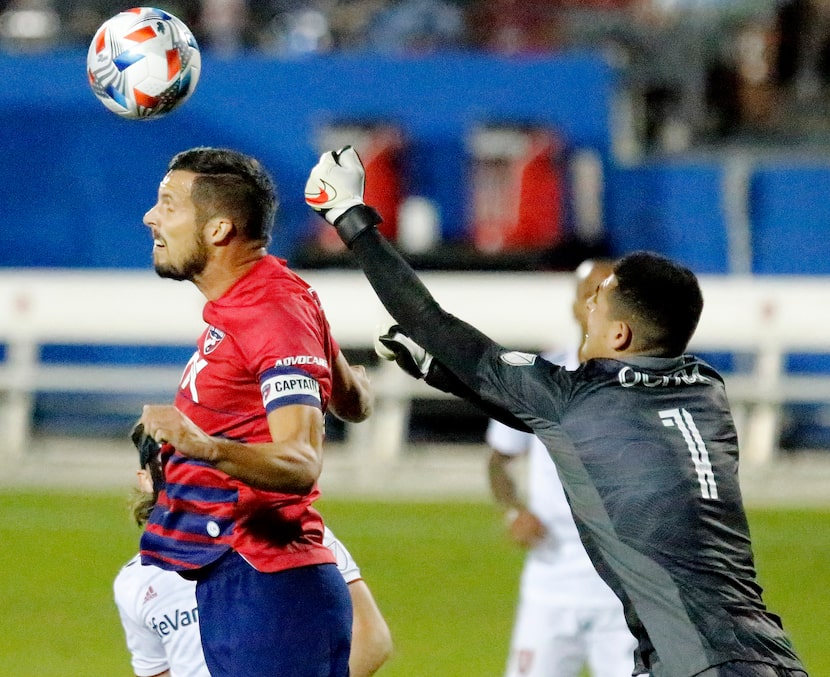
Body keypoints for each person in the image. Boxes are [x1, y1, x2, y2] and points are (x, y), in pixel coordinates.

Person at [304, 146, 809, 677]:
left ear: (620, 333)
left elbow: (431, 319)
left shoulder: (584, 399)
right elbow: (556, 421)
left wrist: (349, 215)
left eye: (599, 303)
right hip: (769, 655)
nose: (586, 311)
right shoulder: (706, 391)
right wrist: (440, 372)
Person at [136, 147, 375, 677]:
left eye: (168, 205)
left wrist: (203, 447)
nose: (151, 217)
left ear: (219, 229)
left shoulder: (271, 311)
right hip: (241, 581)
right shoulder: (274, 293)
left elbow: (301, 461)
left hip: (269, 587)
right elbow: (353, 402)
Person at [115, 427, 392, 677]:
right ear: (146, 480)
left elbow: (372, 637)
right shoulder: (135, 582)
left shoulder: (292, 530)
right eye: (171, 466)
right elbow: (157, 670)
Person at [486, 258, 636, 677]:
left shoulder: (650, 388)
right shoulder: (536, 379)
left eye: (607, 295)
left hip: (626, 593)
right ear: (574, 306)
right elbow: (499, 460)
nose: (595, 305)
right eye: (588, 294)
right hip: (550, 585)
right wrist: (514, 510)